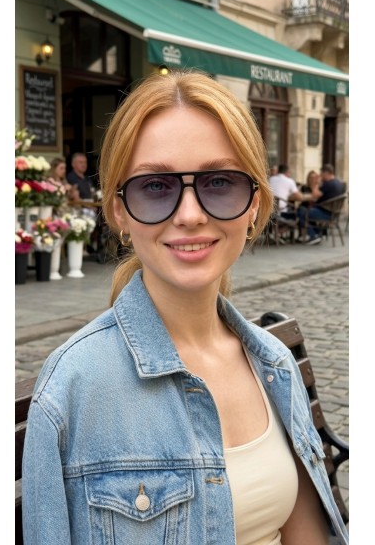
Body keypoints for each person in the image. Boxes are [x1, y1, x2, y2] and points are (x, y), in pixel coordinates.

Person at [22, 70, 349, 545]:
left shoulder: (273, 363)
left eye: (219, 182)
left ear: (254, 204)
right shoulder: (73, 388)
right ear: (119, 211)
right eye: (155, 186)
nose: (190, 215)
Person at [297, 163, 345, 245]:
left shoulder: (328, 184)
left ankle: (313, 236)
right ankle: (317, 234)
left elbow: (314, 194)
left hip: (326, 213)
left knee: (301, 211)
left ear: (326, 173)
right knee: (307, 211)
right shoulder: (339, 183)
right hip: (333, 214)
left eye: (321, 174)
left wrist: (317, 183)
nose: (321, 176)